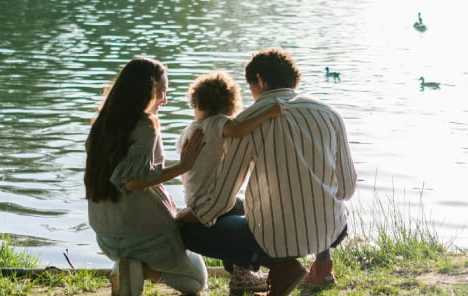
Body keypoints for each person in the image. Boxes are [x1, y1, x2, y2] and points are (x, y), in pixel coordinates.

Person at [178, 49, 356, 296]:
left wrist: (192, 215)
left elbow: (222, 197)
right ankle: (322, 268)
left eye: (250, 86)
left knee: (189, 231)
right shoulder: (329, 113)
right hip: (332, 231)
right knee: (315, 196)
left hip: (277, 240)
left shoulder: (249, 120)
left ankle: (282, 266)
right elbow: (347, 189)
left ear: (260, 81)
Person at [84, 57, 208, 296]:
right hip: (146, 239)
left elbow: (129, 177)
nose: (164, 99)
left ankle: (128, 267)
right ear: (143, 91)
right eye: (161, 91)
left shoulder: (100, 126)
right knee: (198, 280)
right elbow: (132, 181)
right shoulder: (146, 125)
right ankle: (142, 271)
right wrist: (184, 165)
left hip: (106, 238)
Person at [175, 71, 284, 292]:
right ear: (229, 104)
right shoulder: (218, 123)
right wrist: (268, 113)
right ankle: (243, 272)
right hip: (209, 199)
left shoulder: (189, 130)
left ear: (196, 102)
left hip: (194, 196)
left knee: (236, 209)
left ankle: (240, 273)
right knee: (243, 210)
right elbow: (238, 129)